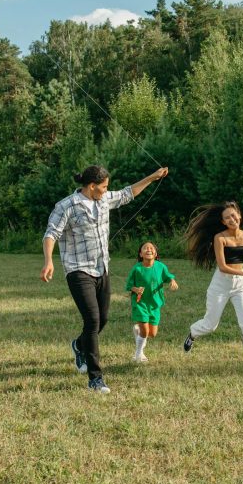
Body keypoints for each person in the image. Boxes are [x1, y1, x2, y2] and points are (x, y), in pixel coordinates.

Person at [41, 164, 169, 394]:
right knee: (92, 320)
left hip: (102, 269)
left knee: (103, 319)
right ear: (92, 186)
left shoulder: (104, 199)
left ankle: (79, 345)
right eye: (104, 186)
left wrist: (152, 177)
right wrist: (49, 260)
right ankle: (95, 379)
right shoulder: (67, 206)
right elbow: (51, 233)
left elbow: (129, 193)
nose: (107, 190)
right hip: (78, 270)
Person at [182, 201, 243, 375]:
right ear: (223, 222)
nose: (232, 219)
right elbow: (222, 266)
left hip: (239, 287)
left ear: (239, 215)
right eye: (227, 217)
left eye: (233, 215)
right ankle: (193, 333)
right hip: (220, 285)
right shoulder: (220, 238)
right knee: (210, 325)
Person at [126, 241, 178, 363]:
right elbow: (129, 285)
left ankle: (138, 331)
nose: (148, 249)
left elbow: (168, 276)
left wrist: (172, 281)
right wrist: (136, 289)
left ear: (155, 254)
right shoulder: (137, 268)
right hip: (140, 303)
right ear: (140, 254)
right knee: (145, 332)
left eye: (151, 248)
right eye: (145, 248)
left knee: (152, 334)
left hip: (155, 304)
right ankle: (138, 355)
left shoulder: (161, 266)